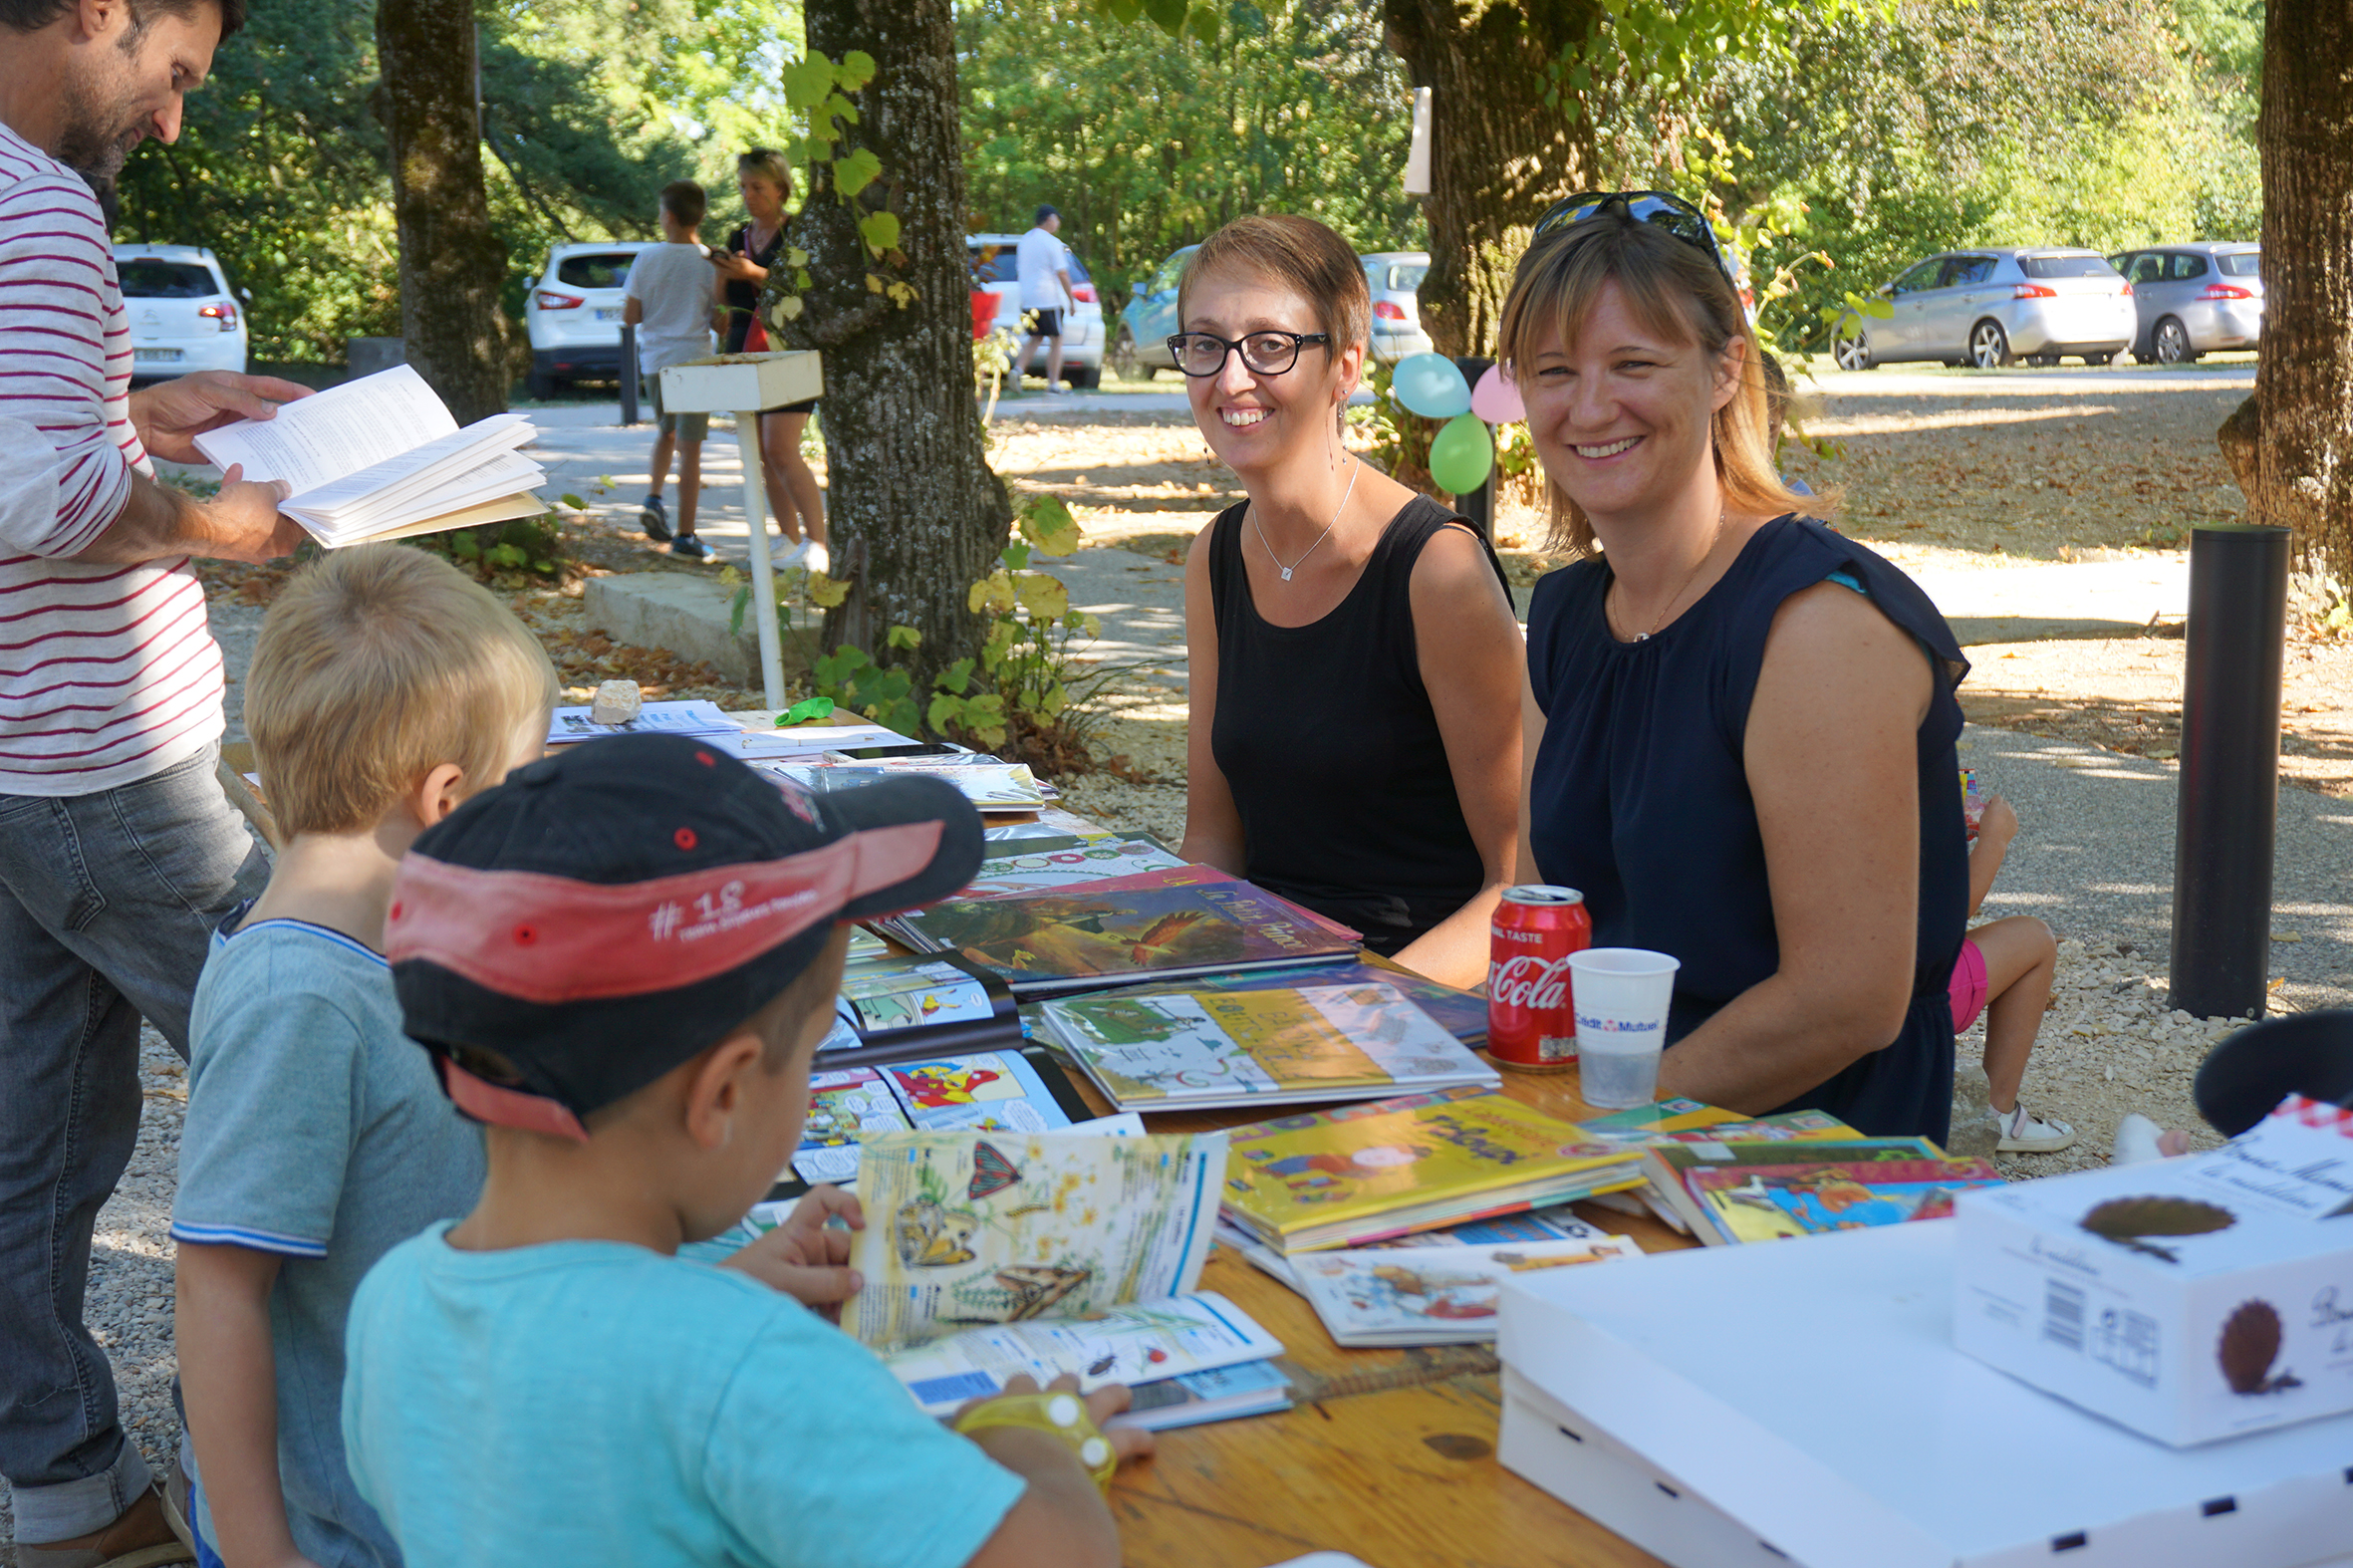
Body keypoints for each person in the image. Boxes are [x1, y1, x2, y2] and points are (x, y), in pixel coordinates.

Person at [341, 737, 1152, 1567]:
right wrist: (1030, 1440)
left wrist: (707, 1294)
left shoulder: (389, 1305)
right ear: (723, 1094)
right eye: (813, 1046)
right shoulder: (747, 1368)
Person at [0, 0, 315, 1558]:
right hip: (111, 773)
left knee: (32, 1146)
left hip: (12, 770)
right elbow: (35, 490)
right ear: (101, 10)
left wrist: (143, 415)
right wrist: (224, 527)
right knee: (323, 1069)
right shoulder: (41, 200)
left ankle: (67, 1494)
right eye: (174, 75)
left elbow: (22, 448)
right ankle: (290, 1483)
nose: (174, 120)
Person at [1506, 193, 1970, 1140]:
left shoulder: (1816, 625)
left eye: (1633, 364)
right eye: (1555, 372)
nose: (1590, 407)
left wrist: (1591, 1129)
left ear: (1724, 370)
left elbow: (1845, 1002)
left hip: (1807, 1168)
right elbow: (1540, 916)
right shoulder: (1562, 618)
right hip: (1617, 1124)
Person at [168, 547, 555, 1568]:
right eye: (523, 785)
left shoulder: (376, 946)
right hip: (339, 1533)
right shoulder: (299, 1000)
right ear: (446, 795)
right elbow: (218, 1287)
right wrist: (261, 1551)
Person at [1176, 215, 1522, 987]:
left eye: (1271, 345)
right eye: (1205, 344)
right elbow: (1213, 844)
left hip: (1414, 1000)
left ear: (1346, 368)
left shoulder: (1436, 568)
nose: (1231, 379)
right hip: (1263, 984)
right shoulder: (1216, 557)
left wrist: (1358, 1009)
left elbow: (1519, 884)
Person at [709, 147, 827, 571]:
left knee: (781, 448)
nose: (748, 195)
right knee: (763, 450)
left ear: (780, 188)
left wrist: (753, 273)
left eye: (757, 187)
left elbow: (800, 289)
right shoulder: (738, 236)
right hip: (744, 350)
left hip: (787, 350)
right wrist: (723, 274)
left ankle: (818, 542)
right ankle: (788, 537)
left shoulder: (798, 234)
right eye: (742, 187)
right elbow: (722, 302)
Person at [1958, 790, 2072, 1152]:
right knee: (2035, 938)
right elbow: (1955, 904)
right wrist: (1994, 839)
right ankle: (1997, 1113)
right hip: (1906, 996)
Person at [625, 179, 716, 561]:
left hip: (656, 361)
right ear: (700, 216)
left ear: (668, 217)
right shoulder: (710, 260)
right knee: (690, 449)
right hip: (695, 360)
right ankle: (686, 534)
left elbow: (631, 317)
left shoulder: (647, 258)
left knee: (667, 432)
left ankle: (654, 497)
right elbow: (721, 322)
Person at [1013, 204, 1074, 395]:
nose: (1058, 223)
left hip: (1028, 299)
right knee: (1057, 339)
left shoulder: (1025, 240)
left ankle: (1017, 370)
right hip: (1048, 298)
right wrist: (1071, 300)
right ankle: (1054, 383)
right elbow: (1062, 273)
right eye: (1057, 219)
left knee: (1035, 337)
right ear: (1049, 219)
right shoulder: (1052, 243)